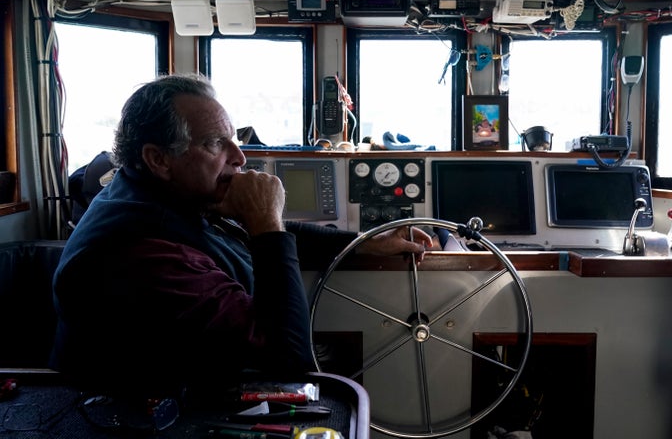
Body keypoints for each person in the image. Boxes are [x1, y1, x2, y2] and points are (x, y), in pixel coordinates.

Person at [50, 73, 432, 397]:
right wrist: (266, 221)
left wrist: (367, 242)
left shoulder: (157, 196)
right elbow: (287, 364)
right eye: (215, 143)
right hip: (144, 415)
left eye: (232, 138)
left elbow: (261, 233)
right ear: (158, 158)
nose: (240, 156)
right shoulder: (143, 254)